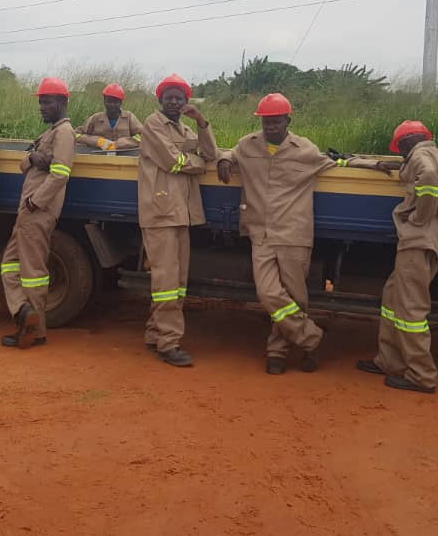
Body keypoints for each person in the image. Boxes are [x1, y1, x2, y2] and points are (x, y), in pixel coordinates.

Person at [217, 93, 379, 375]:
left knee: (294, 297)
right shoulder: (247, 145)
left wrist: (375, 165)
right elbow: (229, 152)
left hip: (294, 233)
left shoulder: (305, 149)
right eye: (266, 121)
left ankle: (277, 352)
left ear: (287, 120)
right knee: (268, 293)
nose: (270, 126)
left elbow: (339, 162)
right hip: (262, 233)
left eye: (276, 121)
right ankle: (311, 338)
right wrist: (224, 160)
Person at [356, 120, 438, 394]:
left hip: (419, 241)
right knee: (393, 298)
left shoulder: (420, 157)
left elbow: (427, 177)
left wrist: (419, 217)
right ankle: (389, 361)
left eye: (400, 148)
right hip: (437, 241)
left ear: (405, 143)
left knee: (410, 310)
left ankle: (421, 375)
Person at [138, 74, 217, 367]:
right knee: (167, 280)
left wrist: (202, 122)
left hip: (180, 213)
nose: (174, 102)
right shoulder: (153, 124)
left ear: (186, 103)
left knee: (176, 281)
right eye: (169, 97)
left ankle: (154, 333)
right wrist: (195, 165)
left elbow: (209, 154)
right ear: (160, 100)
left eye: (179, 98)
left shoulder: (183, 127)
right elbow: (176, 161)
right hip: (161, 213)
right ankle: (168, 343)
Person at [0, 77, 76, 349]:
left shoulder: (64, 133)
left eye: (47, 102)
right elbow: (25, 164)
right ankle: (23, 311)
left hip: (37, 210)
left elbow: (61, 174)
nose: (42, 107)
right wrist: (32, 158)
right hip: (28, 210)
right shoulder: (50, 133)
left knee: (32, 272)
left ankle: (34, 331)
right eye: (41, 102)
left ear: (63, 103)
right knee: (8, 265)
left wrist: (36, 202)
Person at [75, 82, 144, 151]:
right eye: (109, 101)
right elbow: (76, 135)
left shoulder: (129, 118)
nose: (112, 105)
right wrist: (98, 141)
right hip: (98, 157)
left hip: (124, 158)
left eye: (116, 102)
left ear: (121, 102)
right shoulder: (95, 118)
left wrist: (121, 143)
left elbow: (143, 136)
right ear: (104, 101)